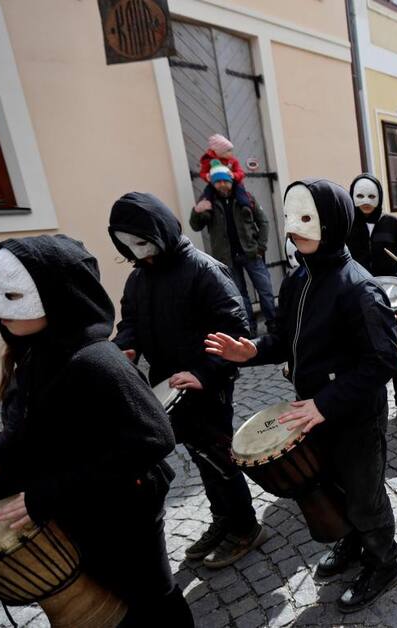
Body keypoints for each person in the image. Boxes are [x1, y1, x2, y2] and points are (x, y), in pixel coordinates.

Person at [205, 179, 397, 613]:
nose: (293, 229)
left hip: (353, 415)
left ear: (331, 223)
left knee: (364, 495)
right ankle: (353, 545)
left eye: (306, 219)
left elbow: (382, 362)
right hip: (312, 410)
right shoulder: (298, 280)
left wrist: (325, 403)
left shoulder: (360, 288)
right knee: (333, 485)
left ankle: (383, 562)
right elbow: (283, 339)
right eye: (290, 219)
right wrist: (252, 351)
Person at [0, 235, 194, 625]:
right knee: (118, 594)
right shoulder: (34, 354)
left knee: (152, 599)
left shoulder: (96, 360)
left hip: (124, 512)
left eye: (11, 296)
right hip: (80, 508)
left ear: (57, 295)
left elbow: (154, 437)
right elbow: (47, 437)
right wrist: (0, 465)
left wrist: (48, 494)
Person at [109, 192, 264, 570]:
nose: (139, 252)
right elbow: (130, 322)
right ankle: (222, 518)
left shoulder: (204, 270)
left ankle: (246, 527)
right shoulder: (138, 278)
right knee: (200, 455)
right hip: (170, 384)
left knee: (221, 458)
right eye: (129, 245)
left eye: (142, 242)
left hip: (208, 385)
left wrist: (203, 373)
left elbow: (234, 328)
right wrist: (126, 347)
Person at [346, 173, 397, 429]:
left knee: (392, 352)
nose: (366, 202)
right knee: (362, 355)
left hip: (389, 298)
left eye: (371, 196)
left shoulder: (390, 223)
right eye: (360, 196)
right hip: (356, 298)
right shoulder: (347, 223)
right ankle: (369, 408)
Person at [190, 161, 276, 335]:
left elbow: (263, 222)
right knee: (240, 295)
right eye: (218, 181)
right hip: (226, 258)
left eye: (225, 181)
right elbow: (196, 226)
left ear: (231, 180)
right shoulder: (207, 201)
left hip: (251, 253)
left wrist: (261, 246)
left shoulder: (246, 197)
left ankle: (274, 326)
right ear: (213, 183)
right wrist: (196, 211)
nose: (222, 184)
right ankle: (249, 330)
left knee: (265, 290)